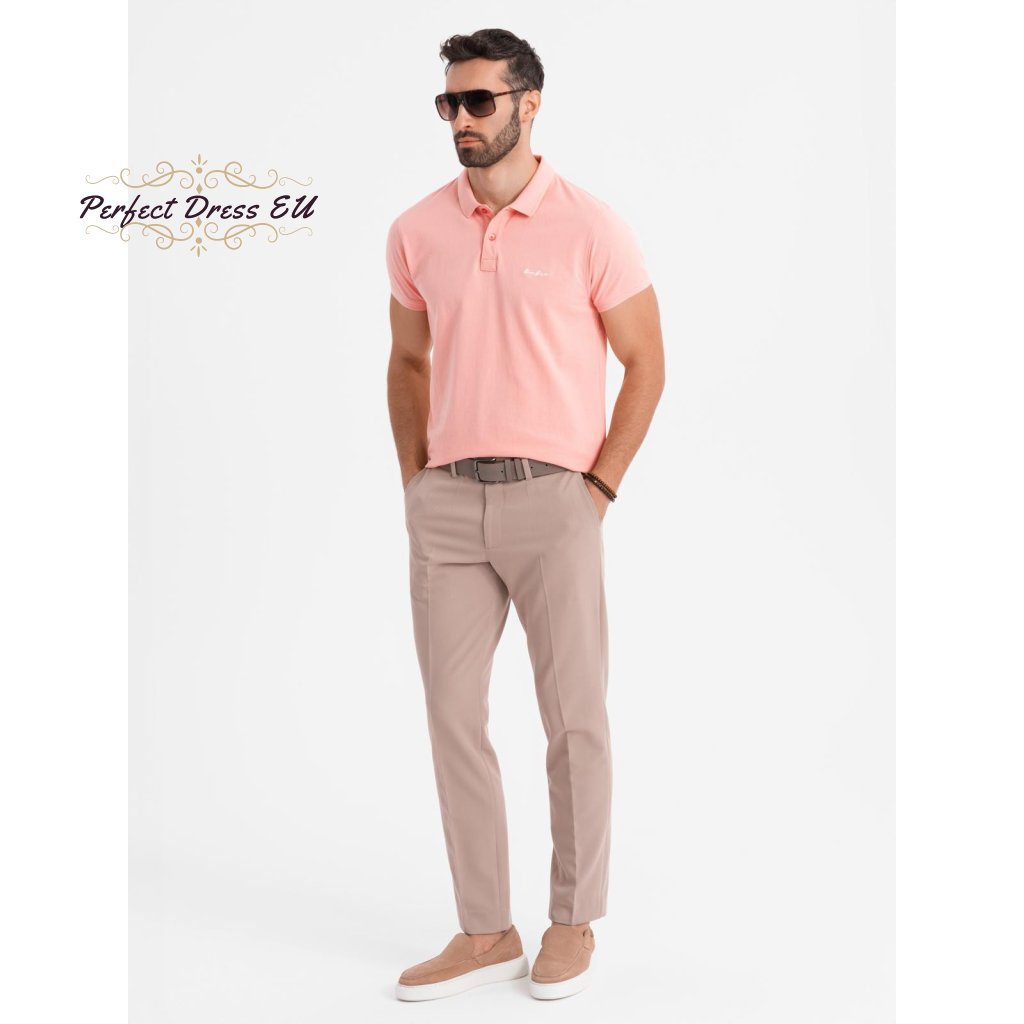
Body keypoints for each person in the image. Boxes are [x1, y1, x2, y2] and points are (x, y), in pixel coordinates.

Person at [386, 27, 664, 1002]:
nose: (460, 119)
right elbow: (408, 360)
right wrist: (417, 482)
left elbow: (646, 362)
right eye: (448, 103)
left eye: (479, 101)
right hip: (448, 504)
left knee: (573, 718)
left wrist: (598, 489)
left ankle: (571, 919)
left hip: (556, 499)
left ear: (528, 103)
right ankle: (484, 929)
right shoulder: (416, 230)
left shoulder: (591, 227)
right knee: (452, 718)